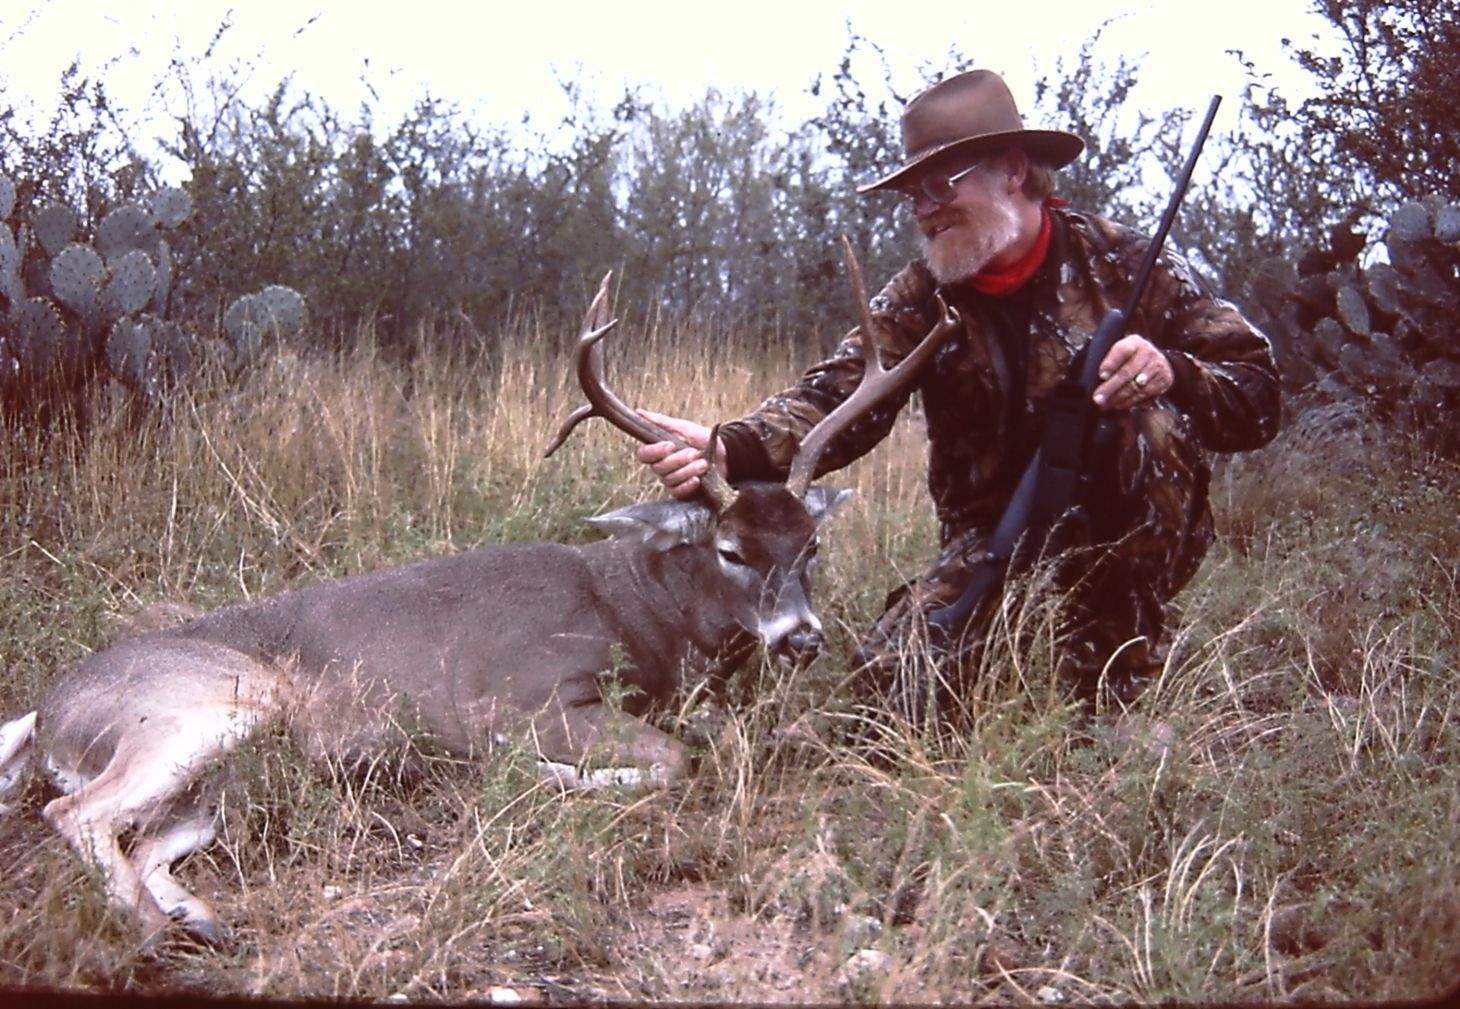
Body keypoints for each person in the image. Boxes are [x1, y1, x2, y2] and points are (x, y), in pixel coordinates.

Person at [635, 69, 1280, 717]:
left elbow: (1258, 396)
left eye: (941, 185)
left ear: (1013, 170)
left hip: (1129, 536)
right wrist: (731, 448)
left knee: (1146, 421)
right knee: (886, 697)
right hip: (992, 538)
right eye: (913, 194)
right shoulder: (921, 296)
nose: (924, 208)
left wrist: (1175, 372)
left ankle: (1127, 670)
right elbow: (836, 398)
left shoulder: (1127, 264)